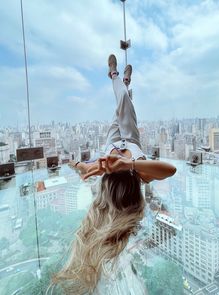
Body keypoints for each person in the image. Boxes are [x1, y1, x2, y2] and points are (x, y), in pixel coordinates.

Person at [53, 55, 176, 294]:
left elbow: (86, 169)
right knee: (122, 102)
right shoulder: (140, 171)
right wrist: (128, 164)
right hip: (130, 136)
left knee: (117, 109)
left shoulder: (104, 170)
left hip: (111, 140)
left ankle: (122, 80)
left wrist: (78, 164)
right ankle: (117, 76)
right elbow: (171, 170)